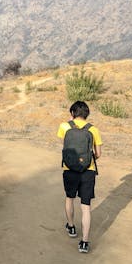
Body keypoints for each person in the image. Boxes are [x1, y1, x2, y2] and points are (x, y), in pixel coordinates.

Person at [57, 101, 102, 253]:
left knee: (69, 198)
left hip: (69, 169)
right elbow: (98, 154)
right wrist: (88, 159)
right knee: (86, 206)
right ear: (87, 114)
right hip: (88, 171)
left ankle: (71, 228)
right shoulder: (93, 129)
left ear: (72, 113)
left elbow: (66, 147)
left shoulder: (64, 126)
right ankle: (84, 242)